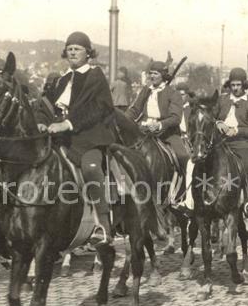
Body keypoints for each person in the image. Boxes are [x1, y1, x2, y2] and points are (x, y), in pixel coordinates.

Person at [35, 31, 117, 245]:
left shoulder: (95, 76)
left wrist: (68, 123)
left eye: (77, 48)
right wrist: (42, 121)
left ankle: (103, 224)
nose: (72, 52)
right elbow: (47, 105)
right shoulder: (61, 80)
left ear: (88, 53)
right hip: (62, 139)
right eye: (69, 48)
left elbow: (100, 108)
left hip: (89, 137)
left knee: (90, 167)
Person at [178, 68, 248, 217]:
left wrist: (237, 131)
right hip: (218, 143)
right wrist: (218, 124)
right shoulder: (222, 100)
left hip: (240, 144)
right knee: (194, 162)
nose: (235, 88)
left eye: (238, 85)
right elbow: (210, 117)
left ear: (244, 85)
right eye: (232, 85)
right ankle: (190, 202)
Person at [126, 60, 187, 174]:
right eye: (150, 73)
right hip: (144, 130)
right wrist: (123, 119)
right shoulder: (146, 90)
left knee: (182, 156)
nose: (151, 76)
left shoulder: (173, 93)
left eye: (155, 73)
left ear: (163, 75)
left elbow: (175, 118)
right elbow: (135, 110)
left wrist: (160, 125)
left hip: (167, 133)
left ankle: (181, 187)